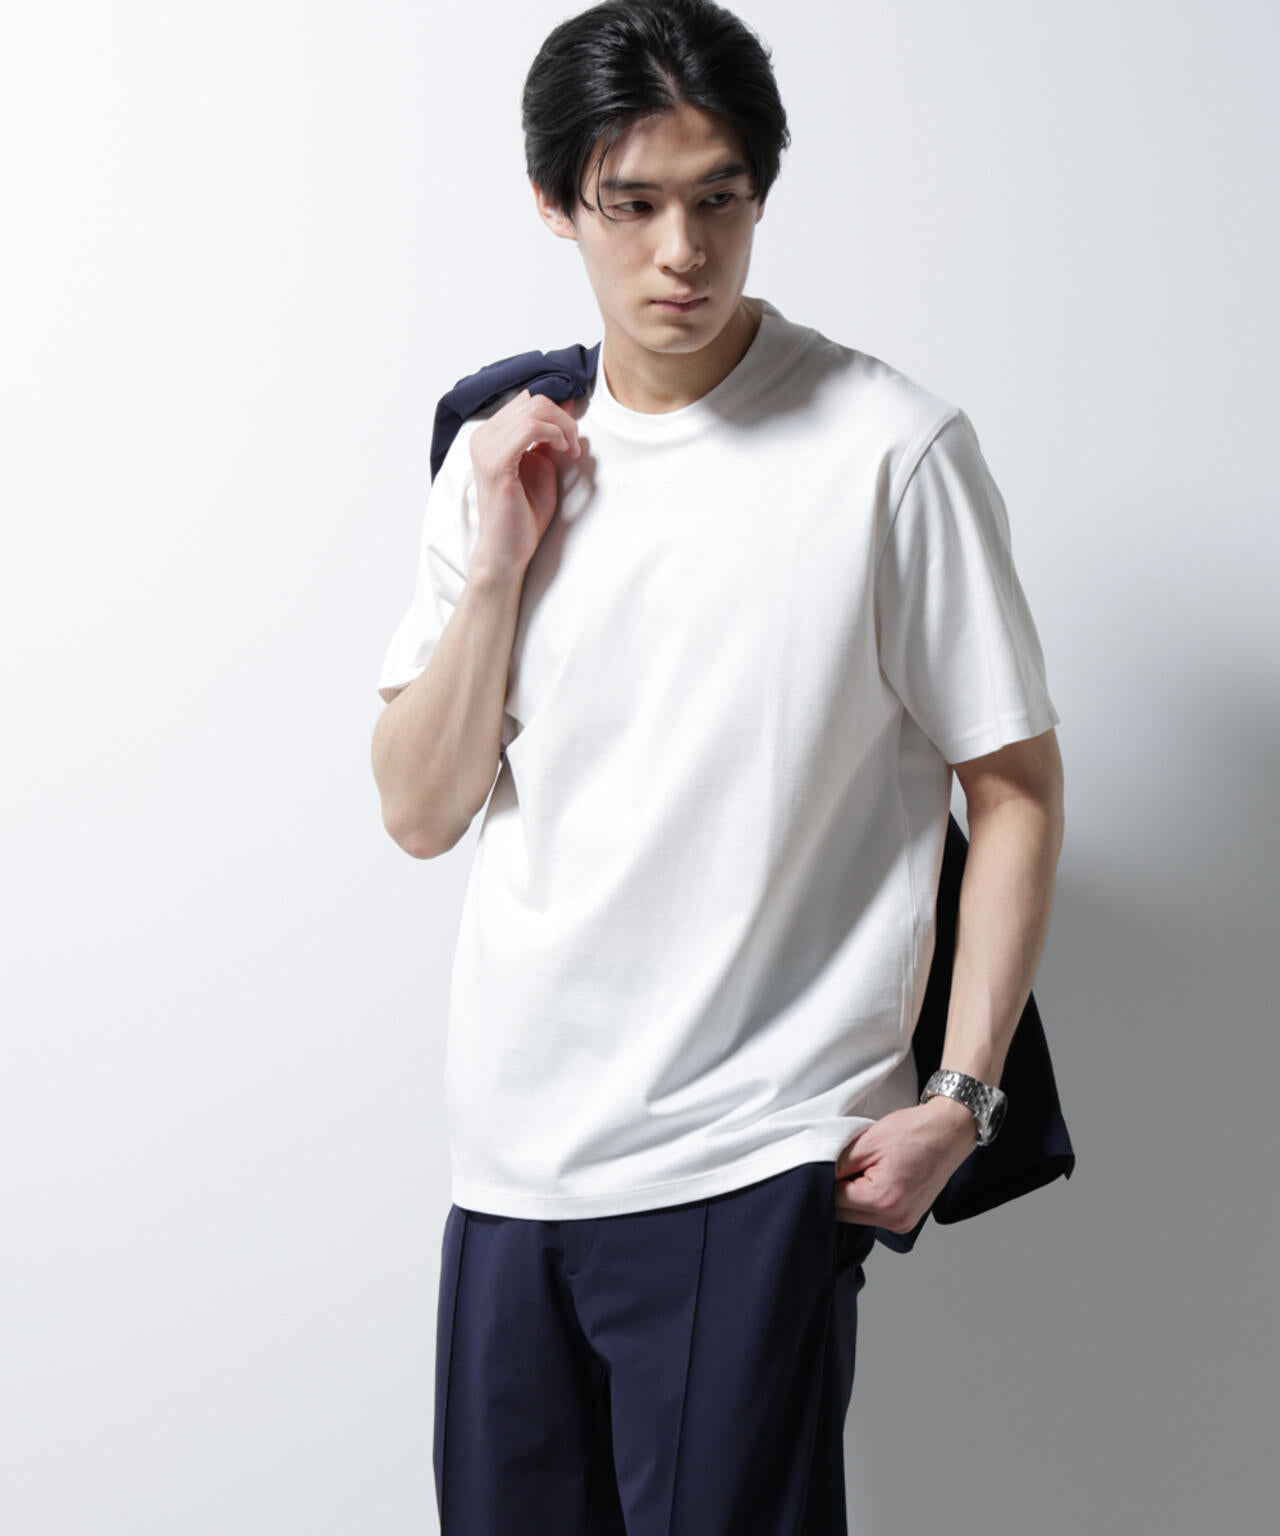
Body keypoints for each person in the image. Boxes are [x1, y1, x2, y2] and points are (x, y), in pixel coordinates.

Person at [370, 1, 1065, 1530]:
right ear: (555, 203)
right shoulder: (503, 449)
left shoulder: (890, 450)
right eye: (631, 205)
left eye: (719, 199)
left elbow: (1013, 783)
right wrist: (498, 563)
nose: (681, 251)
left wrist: (962, 1097)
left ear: (761, 193)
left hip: (752, 1156)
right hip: (514, 1167)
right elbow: (420, 810)